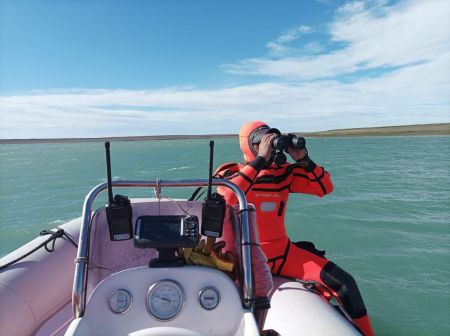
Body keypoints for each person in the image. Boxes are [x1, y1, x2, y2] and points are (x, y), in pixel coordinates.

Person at [215, 120, 374, 336]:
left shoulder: (284, 174)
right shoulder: (231, 175)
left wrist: (303, 159)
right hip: (243, 259)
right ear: (248, 145)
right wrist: (260, 161)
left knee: (345, 284)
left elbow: (324, 188)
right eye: (261, 141)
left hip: (283, 254)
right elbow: (228, 198)